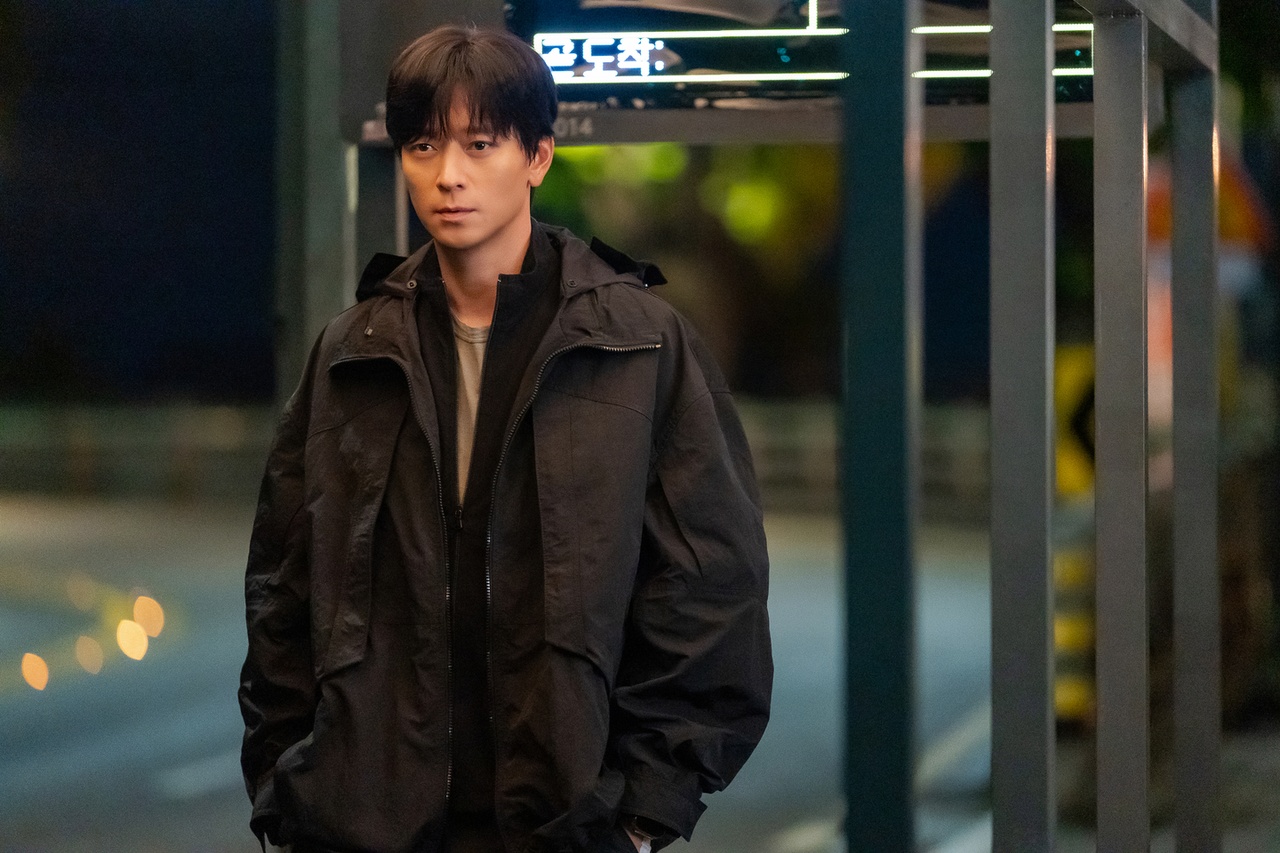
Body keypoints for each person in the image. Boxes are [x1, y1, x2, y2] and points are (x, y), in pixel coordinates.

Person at [239, 24, 771, 853]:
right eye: (423, 145)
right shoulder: (353, 350)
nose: (447, 174)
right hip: (367, 827)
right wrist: (287, 789)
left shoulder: (638, 345)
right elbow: (283, 581)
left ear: (538, 157)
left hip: (568, 825)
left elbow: (711, 586)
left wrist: (642, 813)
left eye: (480, 144)